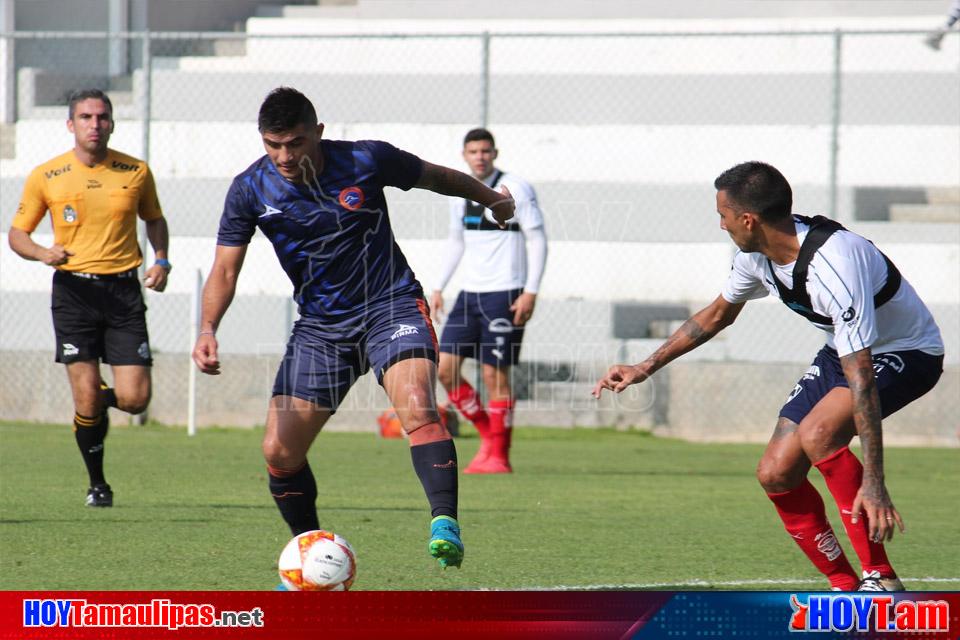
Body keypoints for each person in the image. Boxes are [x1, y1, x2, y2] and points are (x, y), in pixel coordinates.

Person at [191, 87, 515, 571]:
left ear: (318, 133)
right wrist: (207, 328)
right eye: (273, 145)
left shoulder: (366, 159)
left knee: (418, 406)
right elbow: (223, 270)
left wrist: (489, 197)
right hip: (321, 328)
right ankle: (312, 556)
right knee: (279, 450)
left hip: (391, 305)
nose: (284, 155)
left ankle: (444, 522)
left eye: (295, 142)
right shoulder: (250, 189)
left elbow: (436, 177)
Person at [593, 162, 943, 591]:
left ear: (748, 219)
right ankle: (844, 586)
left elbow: (863, 376)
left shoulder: (834, 264)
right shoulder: (755, 257)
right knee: (775, 472)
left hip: (906, 352)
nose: (719, 224)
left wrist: (873, 481)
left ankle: (880, 578)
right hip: (843, 350)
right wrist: (644, 366)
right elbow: (718, 314)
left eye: (722, 214)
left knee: (819, 433)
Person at [8, 88, 171, 508]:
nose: (94, 124)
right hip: (73, 291)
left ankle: (97, 399)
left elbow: (154, 219)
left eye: (101, 117)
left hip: (123, 290)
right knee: (85, 399)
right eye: (85, 117)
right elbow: (17, 234)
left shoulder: (134, 171)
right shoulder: (48, 174)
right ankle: (97, 483)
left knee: (135, 398)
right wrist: (44, 253)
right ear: (71, 124)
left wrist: (162, 261)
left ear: (112, 123)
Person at [430, 128, 547, 474]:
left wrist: (531, 290)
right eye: (473, 151)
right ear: (464, 155)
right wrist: (437, 287)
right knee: (444, 369)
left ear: (494, 153)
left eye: (485, 151)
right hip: (470, 294)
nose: (479, 156)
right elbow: (456, 241)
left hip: (506, 292)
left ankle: (500, 454)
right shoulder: (459, 191)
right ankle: (488, 437)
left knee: (493, 373)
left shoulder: (517, 187)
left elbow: (538, 239)